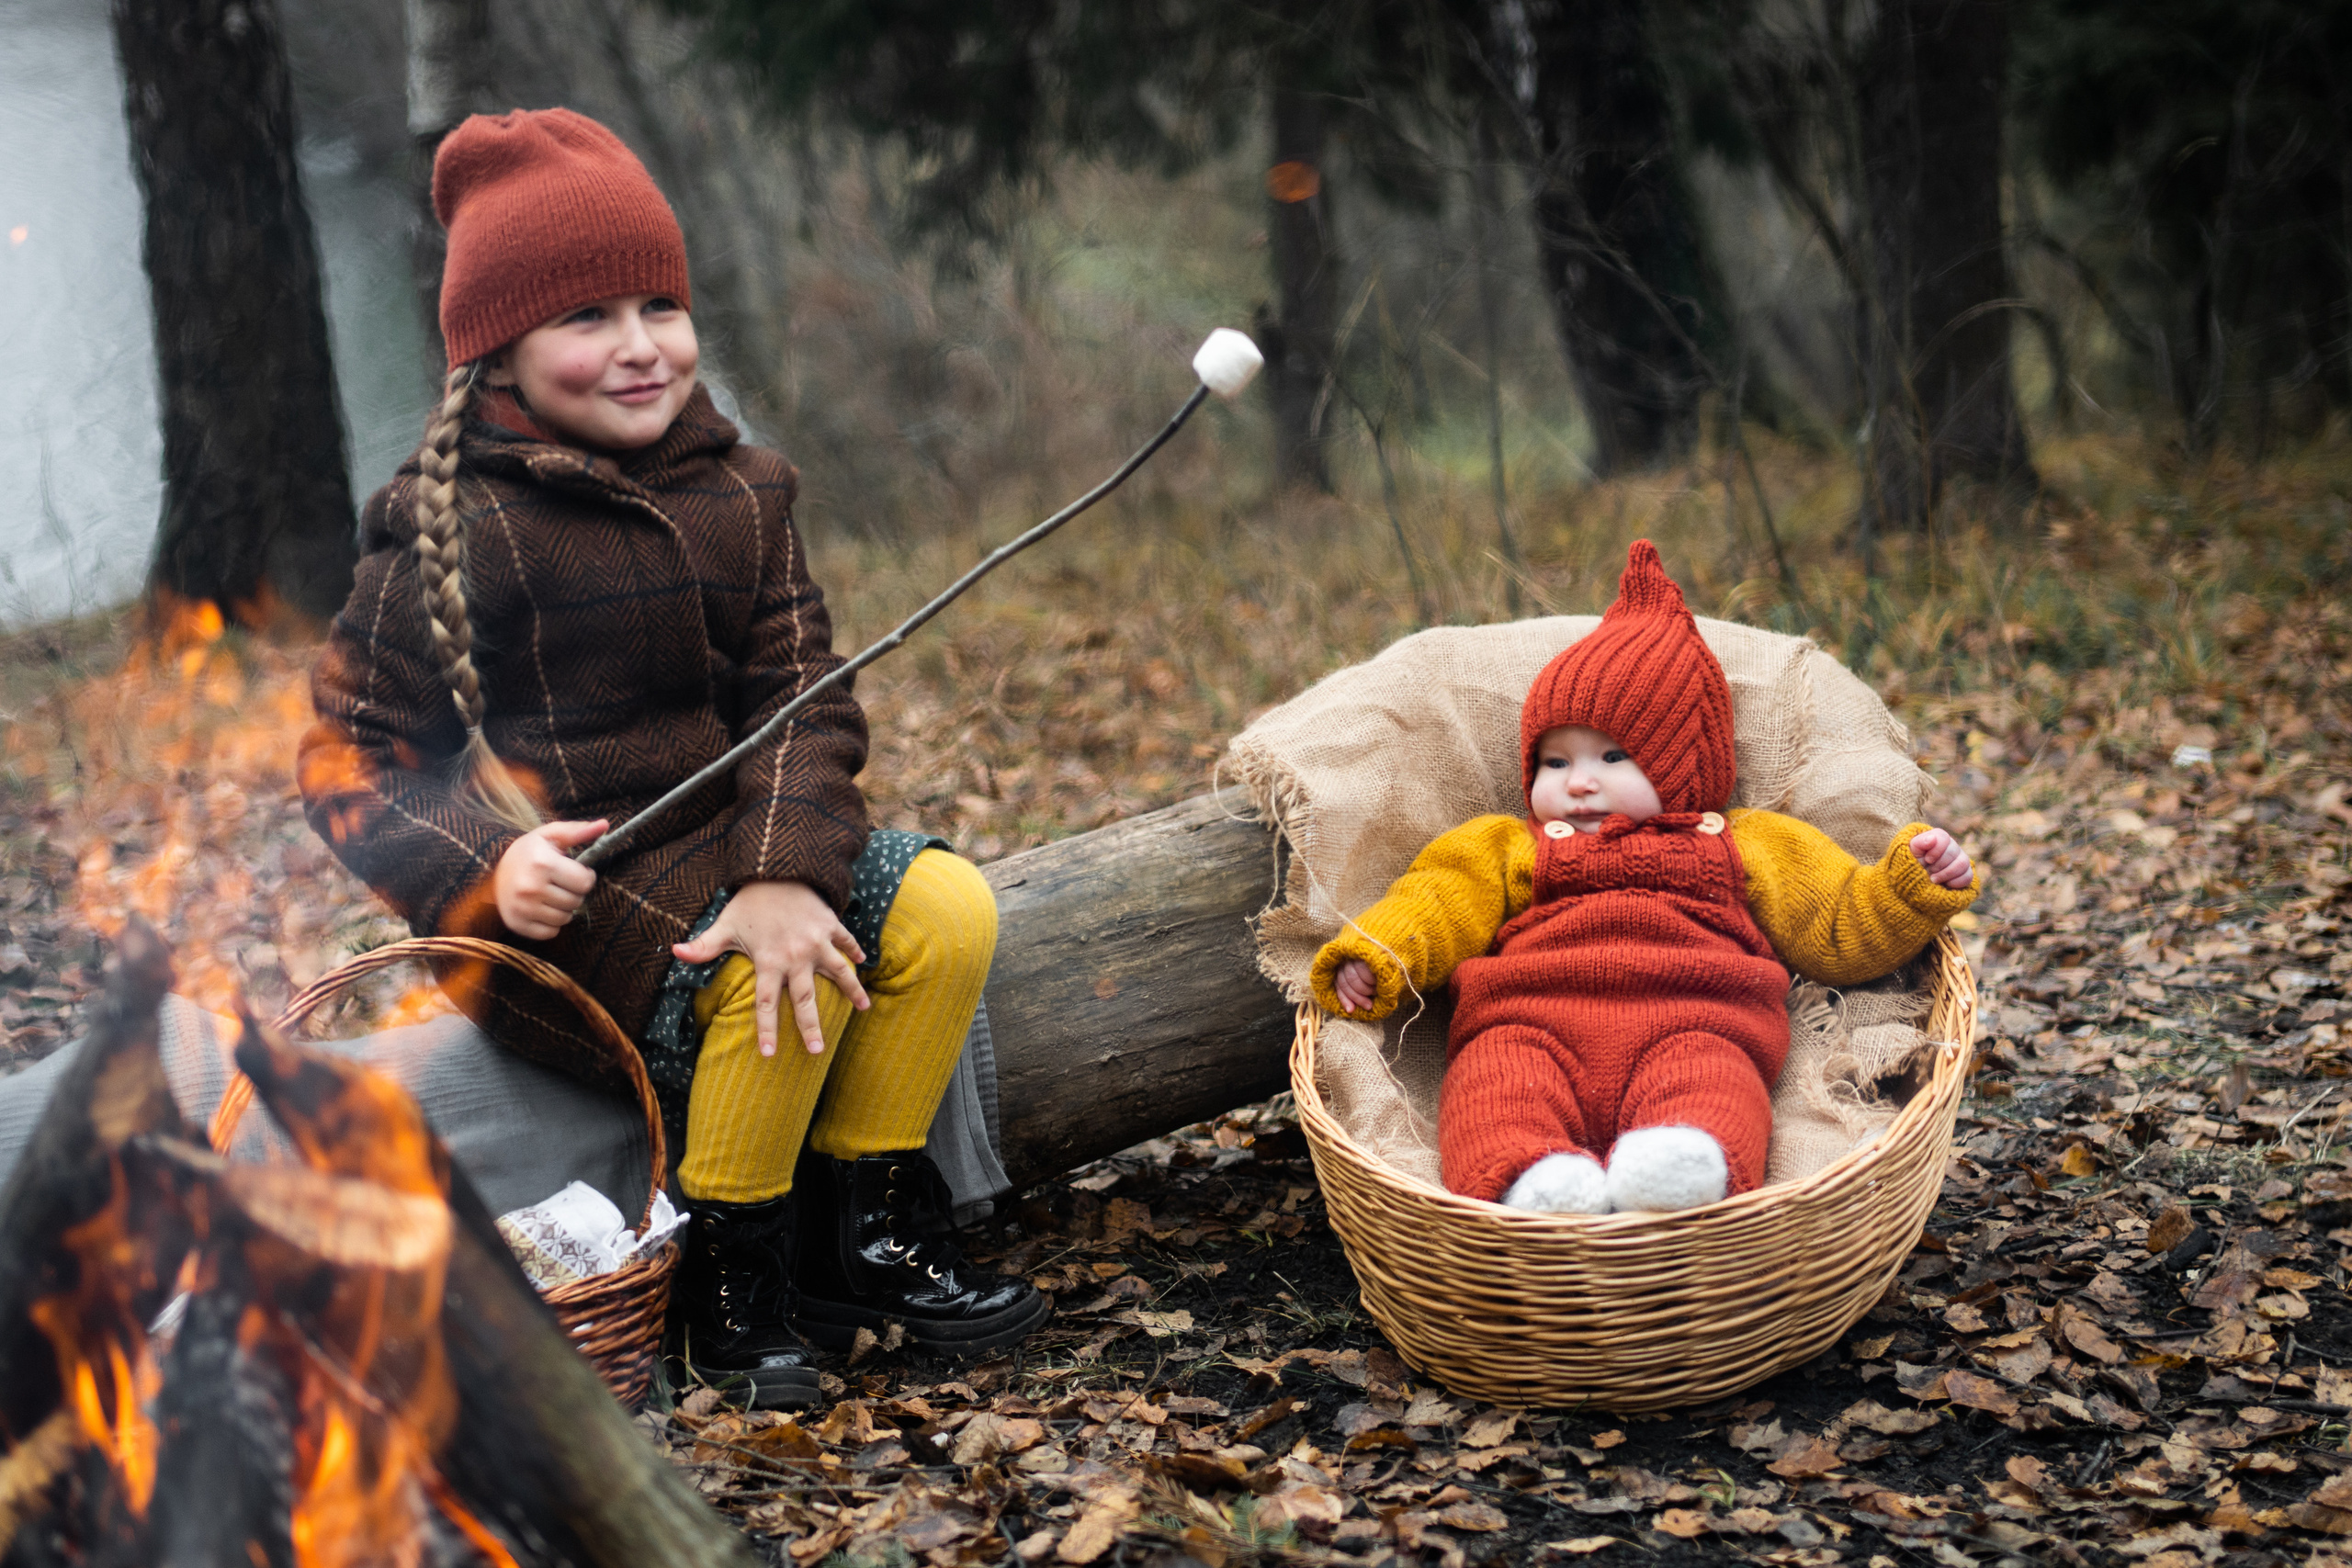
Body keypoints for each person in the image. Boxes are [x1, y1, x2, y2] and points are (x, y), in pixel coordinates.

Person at [299, 107, 1045, 1407]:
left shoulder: (744, 491)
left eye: (661, 305)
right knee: (758, 971)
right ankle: (730, 1273)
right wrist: (486, 866)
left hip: (733, 838)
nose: (640, 345)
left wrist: (784, 869)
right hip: (573, 905)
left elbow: (801, 690)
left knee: (946, 905)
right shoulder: (454, 527)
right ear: (498, 353)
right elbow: (346, 754)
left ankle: (863, 1230)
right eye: (587, 319)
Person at [1309, 541, 1979, 1213]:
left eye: (1611, 757)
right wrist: (1379, 949)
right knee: (1492, 1088)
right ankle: (1535, 1180)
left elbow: (1836, 921)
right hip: (1528, 1026)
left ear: (1683, 766)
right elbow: (1435, 899)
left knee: (1715, 1083)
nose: (1579, 782)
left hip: (1696, 1024)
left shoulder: (1746, 842)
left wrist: (1907, 886)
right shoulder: (1509, 845)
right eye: (1555, 762)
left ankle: (1683, 1159)